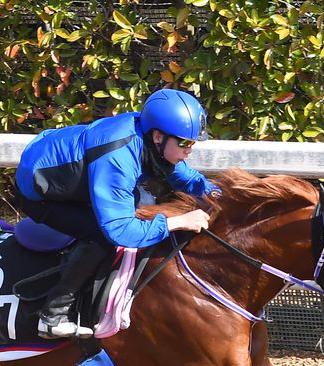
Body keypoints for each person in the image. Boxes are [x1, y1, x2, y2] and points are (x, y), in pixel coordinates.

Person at [15, 88, 218, 339]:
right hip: (42, 193)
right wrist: (177, 222)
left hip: (77, 173)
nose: (190, 150)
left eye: (194, 143)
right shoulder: (118, 158)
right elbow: (120, 230)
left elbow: (181, 175)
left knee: (137, 201)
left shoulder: (151, 139)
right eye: (185, 142)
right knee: (101, 236)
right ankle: (53, 315)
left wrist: (215, 193)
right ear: (158, 137)